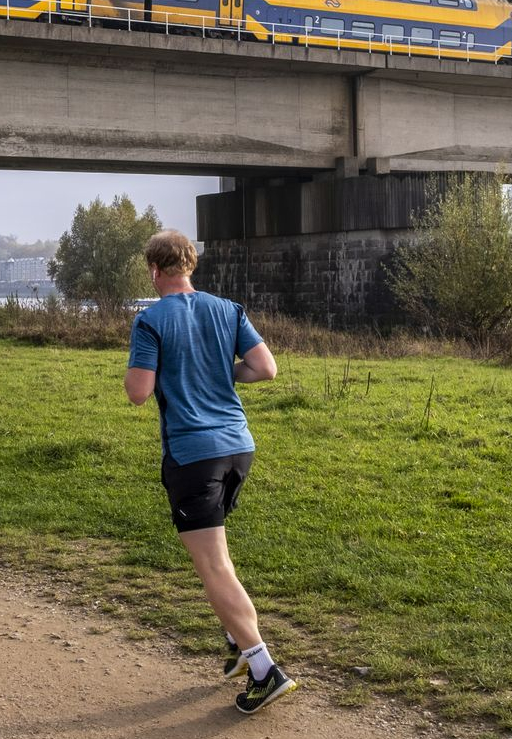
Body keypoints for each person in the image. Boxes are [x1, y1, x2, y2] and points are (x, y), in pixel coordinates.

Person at [123, 229, 295, 715]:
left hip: (192, 452)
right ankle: (240, 644)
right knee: (218, 556)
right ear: (190, 266)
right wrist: (222, 370)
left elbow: (138, 392)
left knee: (213, 565)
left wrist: (149, 371)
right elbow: (265, 369)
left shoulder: (150, 321)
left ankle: (264, 668)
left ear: (155, 270)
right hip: (238, 447)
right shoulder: (229, 308)